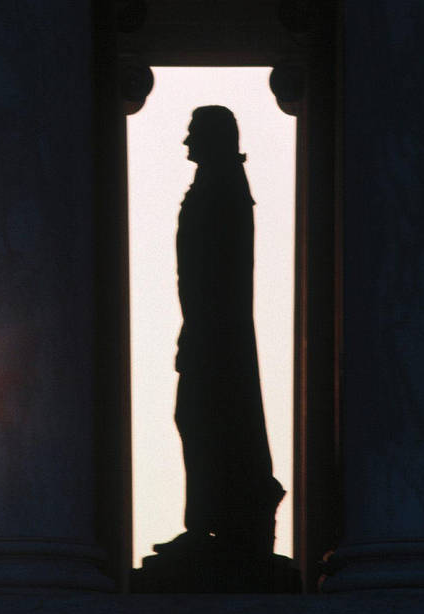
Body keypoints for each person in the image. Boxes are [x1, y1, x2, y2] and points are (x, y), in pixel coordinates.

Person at [154, 106, 285, 558]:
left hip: (215, 328)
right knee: (200, 416)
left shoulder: (223, 187)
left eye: (193, 135)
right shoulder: (218, 185)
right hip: (207, 324)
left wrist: (199, 330)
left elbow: (216, 269)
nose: (186, 144)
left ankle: (215, 521)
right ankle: (210, 520)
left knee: (203, 415)